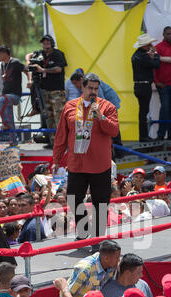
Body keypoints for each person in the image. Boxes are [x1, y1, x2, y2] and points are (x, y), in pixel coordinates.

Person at [52, 73, 119, 243]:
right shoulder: (70, 106)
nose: (93, 92)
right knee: (73, 198)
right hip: (77, 164)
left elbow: (114, 131)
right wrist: (56, 160)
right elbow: (61, 136)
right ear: (82, 87)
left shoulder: (107, 107)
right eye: (90, 88)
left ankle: (97, 239)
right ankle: (83, 231)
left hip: (100, 165)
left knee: (101, 203)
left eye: (96, 89)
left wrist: (101, 117)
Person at [25, 34, 67, 149]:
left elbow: (59, 69)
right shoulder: (40, 54)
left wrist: (43, 70)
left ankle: (62, 144)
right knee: (49, 118)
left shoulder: (58, 54)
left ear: (52, 43)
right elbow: (28, 56)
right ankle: (53, 142)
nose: (46, 45)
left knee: (59, 118)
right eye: (44, 43)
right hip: (44, 91)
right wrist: (29, 62)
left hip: (57, 91)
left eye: (48, 43)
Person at [0, 46, 29, 145]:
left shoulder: (15, 62)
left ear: (5, 53)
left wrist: (30, 81)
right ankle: (13, 142)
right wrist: (3, 78)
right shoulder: (2, 65)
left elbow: (26, 70)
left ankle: (5, 124)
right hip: (6, 95)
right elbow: (5, 78)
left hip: (14, 95)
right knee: (10, 119)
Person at [131, 33, 160, 142]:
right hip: (144, 86)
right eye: (148, 45)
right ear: (144, 46)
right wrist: (156, 54)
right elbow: (156, 64)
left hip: (138, 85)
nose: (150, 46)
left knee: (142, 112)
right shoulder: (143, 57)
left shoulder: (135, 56)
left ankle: (143, 135)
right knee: (144, 112)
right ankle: (143, 136)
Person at [154, 26, 171, 141]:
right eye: (168, 34)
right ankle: (160, 134)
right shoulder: (158, 48)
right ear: (164, 34)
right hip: (163, 84)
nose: (170, 35)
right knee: (165, 108)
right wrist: (156, 82)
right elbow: (154, 66)